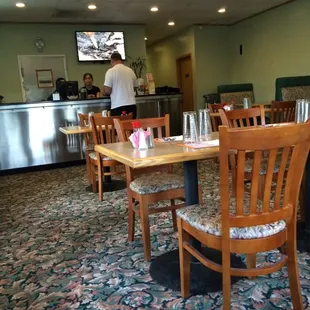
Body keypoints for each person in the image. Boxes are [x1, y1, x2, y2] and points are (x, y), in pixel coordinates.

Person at [103, 52, 138, 118]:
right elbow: (135, 87)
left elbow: (107, 90)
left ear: (112, 60)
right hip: (132, 105)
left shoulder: (111, 71)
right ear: (121, 60)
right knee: (131, 127)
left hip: (118, 106)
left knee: (119, 128)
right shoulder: (130, 71)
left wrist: (104, 91)